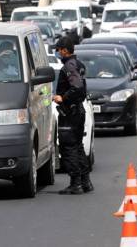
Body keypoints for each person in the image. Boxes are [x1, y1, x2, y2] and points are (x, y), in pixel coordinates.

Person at [53, 36, 92, 195]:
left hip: (70, 113)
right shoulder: (77, 64)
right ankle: (85, 181)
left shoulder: (69, 66)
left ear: (64, 50)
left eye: (58, 50)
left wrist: (63, 97)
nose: (57, 52)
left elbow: (76, 87)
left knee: (68, 147)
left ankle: (75, 183)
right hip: (77, 111)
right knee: (78, 146)